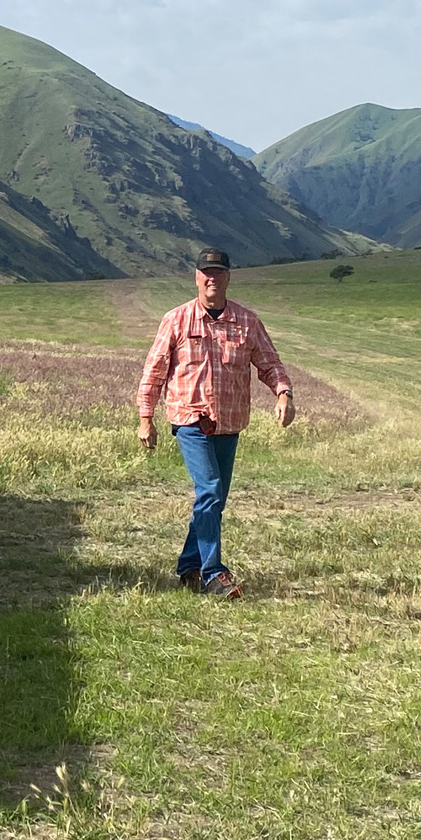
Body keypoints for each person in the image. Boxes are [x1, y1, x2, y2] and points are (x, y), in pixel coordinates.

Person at [136, 247, 296, 599]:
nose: (212, 278)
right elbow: (155, 370)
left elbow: (269, 363)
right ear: (196, 277)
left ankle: (189, 566)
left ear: (228, 278)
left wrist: (283, 394)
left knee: (214, 500)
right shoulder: (176, 320)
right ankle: (214, 574)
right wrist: (145, 417)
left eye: (218, 272)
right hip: (190, 419)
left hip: (229, 422)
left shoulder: (247, 322)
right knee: (208, 490)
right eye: (206, 272)